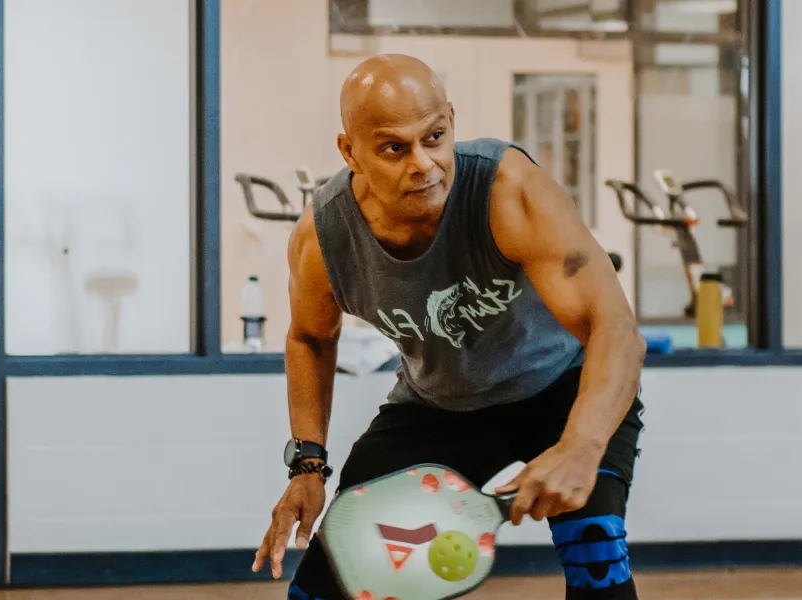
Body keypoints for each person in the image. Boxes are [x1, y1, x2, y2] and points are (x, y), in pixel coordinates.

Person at [250, 54, 648, 600]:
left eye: (434, 137)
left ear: (452, 121)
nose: (424, 164)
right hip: (437, 406)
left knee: (595, 552)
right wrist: (308, 466)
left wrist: (581, 444)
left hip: (563, 390)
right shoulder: (323, 239)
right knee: (332, 578)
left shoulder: (508, 190)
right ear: (350, 152)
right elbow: (310, 338)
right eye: (394, 148)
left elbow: (616, 328)